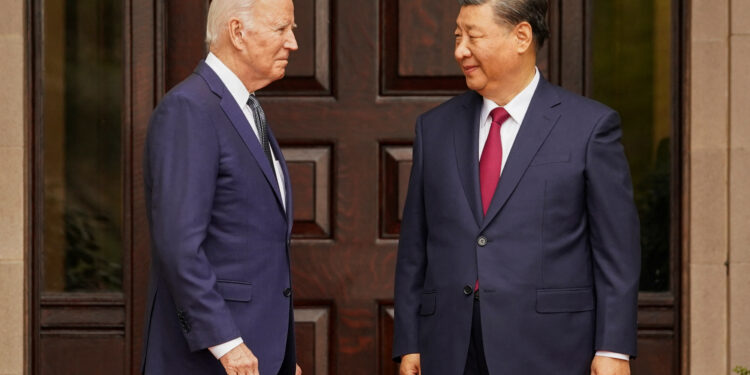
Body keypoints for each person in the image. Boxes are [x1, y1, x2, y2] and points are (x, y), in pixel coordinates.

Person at [392, 0, 640, 374]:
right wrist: (409, 340)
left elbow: (616, 252)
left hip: (551, 347)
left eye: (472, 36)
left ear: (521, 36)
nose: (460, 50)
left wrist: (614, 348)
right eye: (457, 37)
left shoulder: (589, 127)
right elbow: (415, 246)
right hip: (449, 347)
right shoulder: (434, 128)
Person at [140, 0, 301, 374]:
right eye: (281, 29)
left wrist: (281, 355)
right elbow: (179, 245)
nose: (292, 43)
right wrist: (228, 345)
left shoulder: (246, 108)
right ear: (237, 32)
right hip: (212, 359)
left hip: (255, 356)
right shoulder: (190, 109)